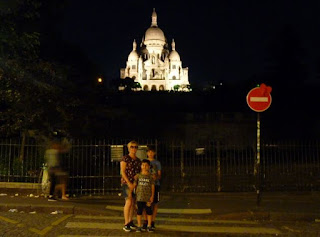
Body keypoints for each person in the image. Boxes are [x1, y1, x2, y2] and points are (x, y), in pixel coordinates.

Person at [120, 140, 141, 232]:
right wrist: (129, 183)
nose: (134, 148)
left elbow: (138, 173)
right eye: (132, 147)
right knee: (128, 202)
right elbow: (123, 172)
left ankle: (130, 221)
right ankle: (126, 223)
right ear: (128, 148)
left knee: (133, 203)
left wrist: (135, 183)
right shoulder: (125, 158)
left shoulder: (138, 160)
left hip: (135, 184)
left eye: (135, 147)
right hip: (126, 183)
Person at [133, 159, 155, 232]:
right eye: (143, 165)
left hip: (147, 197)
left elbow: (152, 186)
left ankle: (149, 225)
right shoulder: (138, 176)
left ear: (149, 167)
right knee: (139, 211)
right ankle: (139, 225)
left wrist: (152, 196)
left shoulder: (151, 177)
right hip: (140, 196)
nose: (144, 167)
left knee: (149, 211)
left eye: (146, 165)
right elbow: (135, 185)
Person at [144, 145, 161, 230]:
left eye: (152, 152)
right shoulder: (144, 162)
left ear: (154, 153)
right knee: (145, 203)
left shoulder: (157, 163)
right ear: (147, 153)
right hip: (146, 185)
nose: (150, 153)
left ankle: (152, 221)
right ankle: (146, 220)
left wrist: (156, 177)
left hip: (155, 184)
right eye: (149, 152)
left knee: (154, 203)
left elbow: (159, 174)